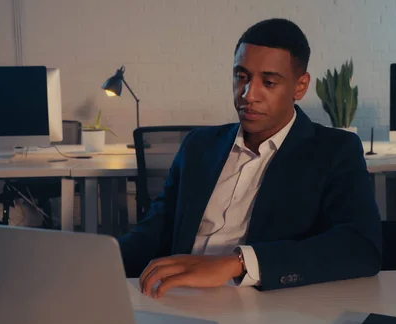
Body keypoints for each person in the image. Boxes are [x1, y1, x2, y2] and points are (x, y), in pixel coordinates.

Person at [118, 18, 382, 298]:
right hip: (176, 296)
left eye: (268, 82)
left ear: (300, 86)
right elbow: (155, 231)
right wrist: (98, 262)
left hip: (266, 302)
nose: (248, 94)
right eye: (241, 77)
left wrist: (236, 263)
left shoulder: (334, 150)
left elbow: (361, 246)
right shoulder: (199, 145)